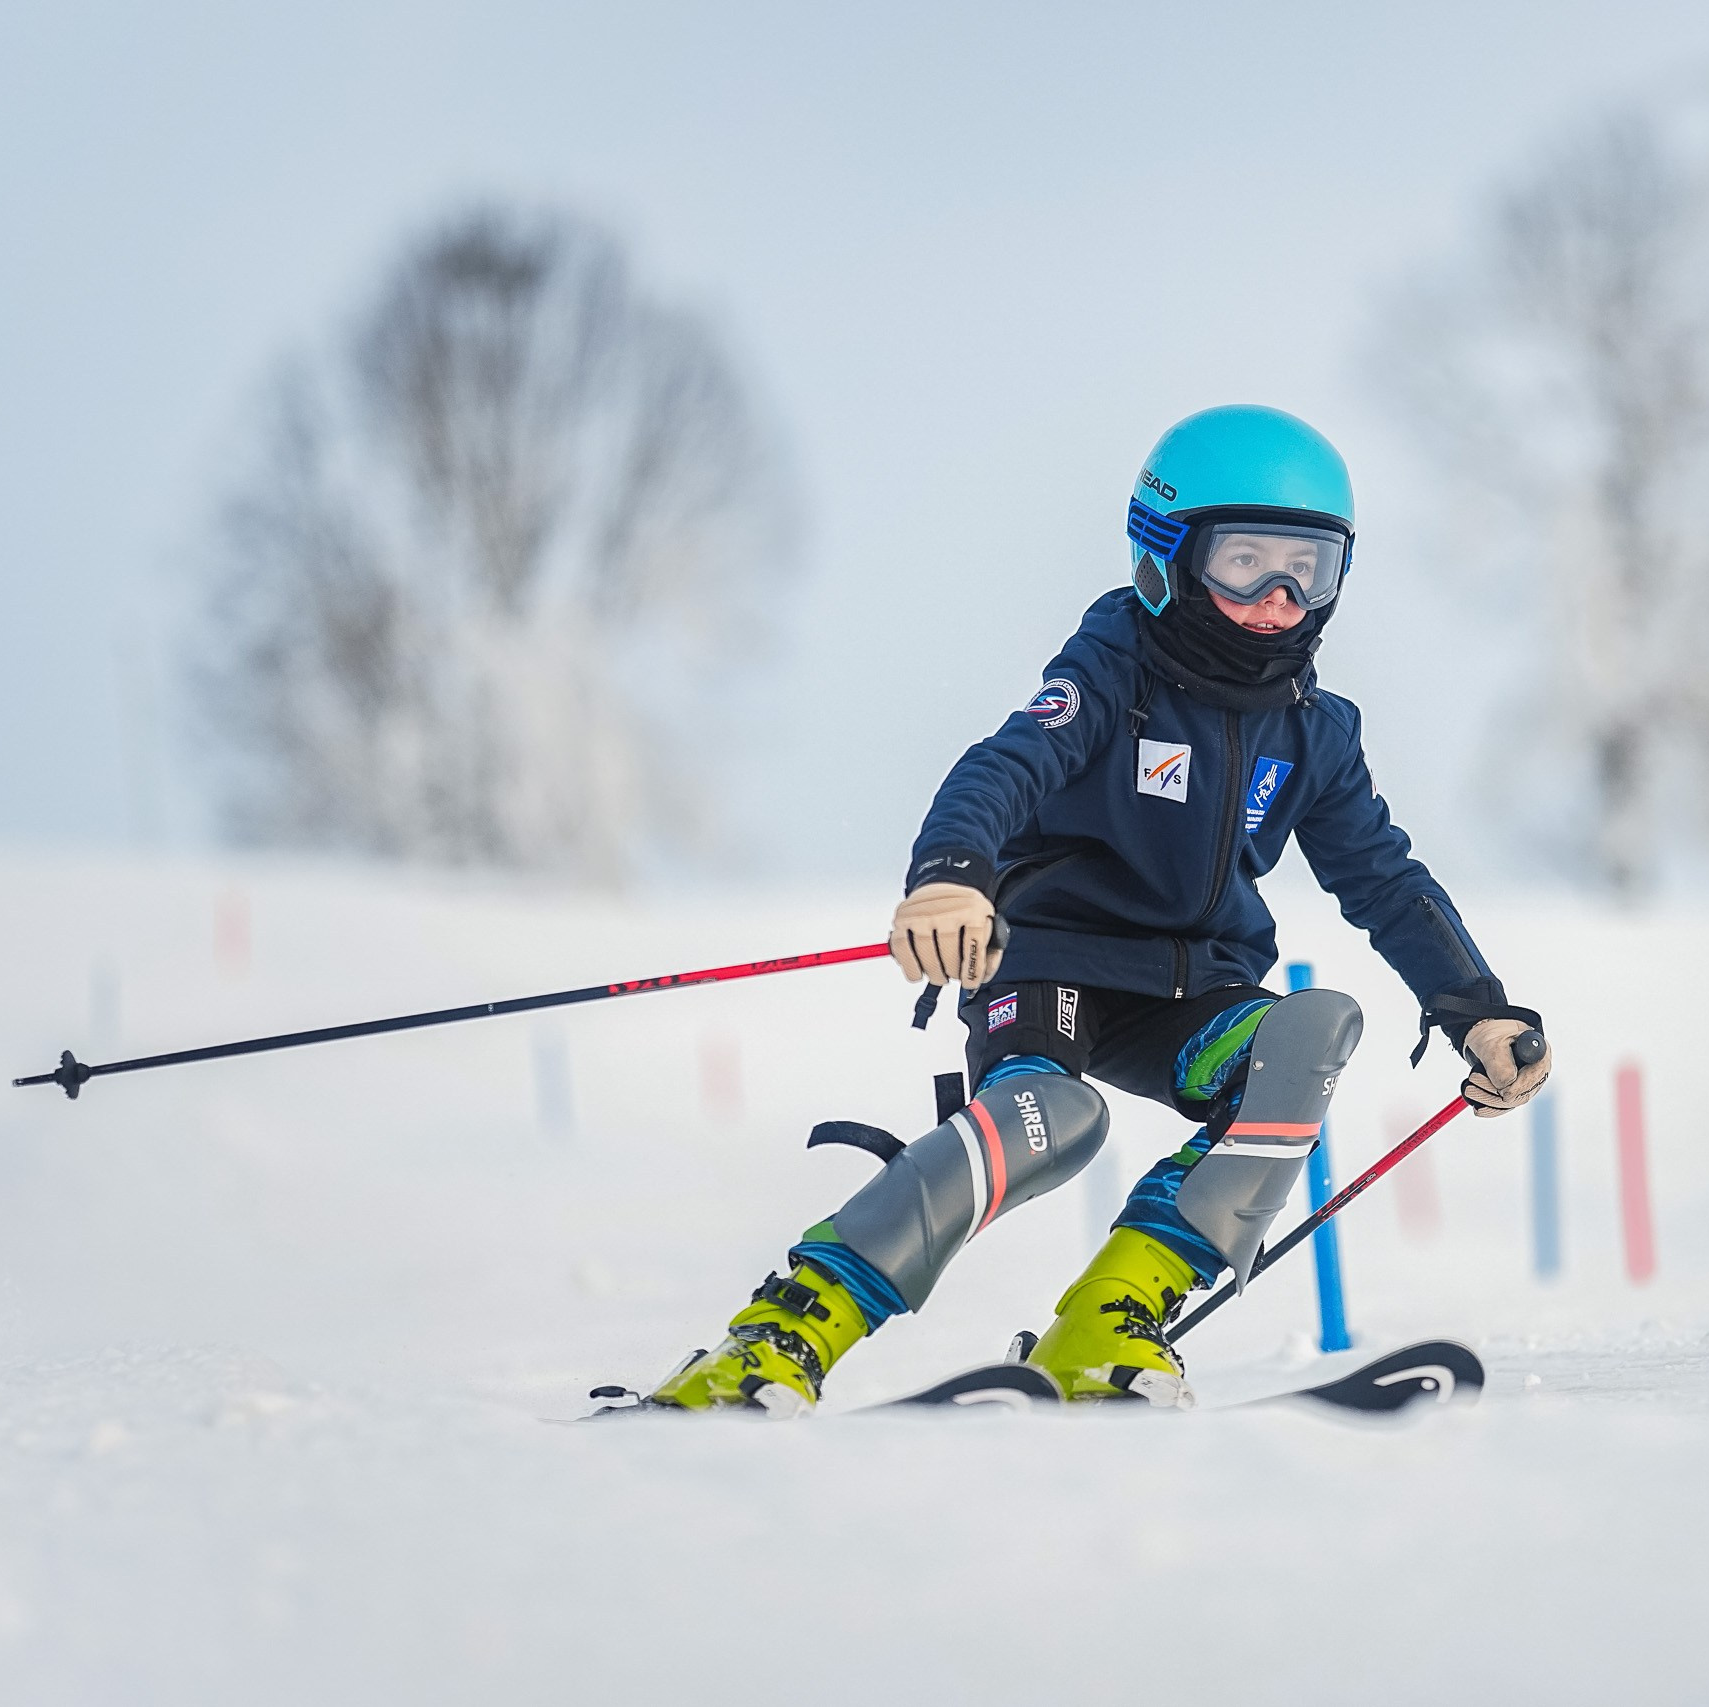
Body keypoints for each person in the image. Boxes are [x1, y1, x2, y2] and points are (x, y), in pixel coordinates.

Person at [647, 404, 1552, 1415]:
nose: (1278, 599)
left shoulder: (1314, 731)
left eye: (1309, 568)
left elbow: (1382, 877)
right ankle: (777, 1337)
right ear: (1164, 554)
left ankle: (1106, 1327)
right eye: (1244, 562)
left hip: (1190, 995)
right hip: (1049, 965)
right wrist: (950, 875)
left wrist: (1476, 1007)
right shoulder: (1112, 672)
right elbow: (1009, 764)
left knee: (1309, 1032)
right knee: (1050, 1119)